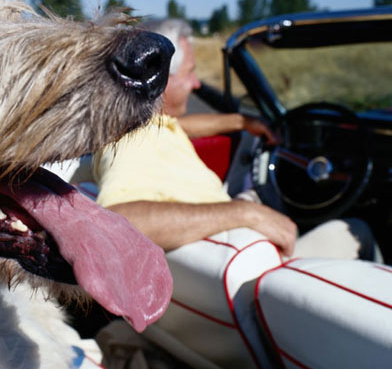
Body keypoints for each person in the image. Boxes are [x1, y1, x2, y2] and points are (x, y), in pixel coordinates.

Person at [92, 18, 376, 260]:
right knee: (358, 229)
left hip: (225, 261)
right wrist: (243, 213)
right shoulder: (132, 142)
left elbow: (177, 125)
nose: (197, 84)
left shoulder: (149, 127)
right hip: (258, 274)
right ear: (158, 78)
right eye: (190, 72)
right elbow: (118, 220)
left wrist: (240, 122)